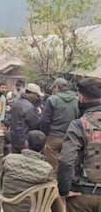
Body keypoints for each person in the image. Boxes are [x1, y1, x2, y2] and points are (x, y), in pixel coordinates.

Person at [58, 78, 101, 211]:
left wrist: (64, 191)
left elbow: (66, 161)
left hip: (82, 195)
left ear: (81, 97)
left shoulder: (78, 125)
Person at [1, 130, 53, 212]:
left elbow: (0, 179)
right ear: (44, 147)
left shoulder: (9, 159)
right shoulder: (46, 169)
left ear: (26, 143)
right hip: (32, 209)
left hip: (8, 206)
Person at [40, 78, 79, 174]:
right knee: (67, 166)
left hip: (54, 137)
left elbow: (45, 120)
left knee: (52, 167)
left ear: (57, 87)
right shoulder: (77, 100)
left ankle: (54, 186)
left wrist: (45, 133)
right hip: (71, 137)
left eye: (54, 88)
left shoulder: (52, 99)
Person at [10, 83, 43, 153]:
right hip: (24, 142)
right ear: (32, 94)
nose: (38, 98)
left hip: (14, 139)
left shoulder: (17, 103)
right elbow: (35, 124)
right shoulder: (29, 107)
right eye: (37, 95)